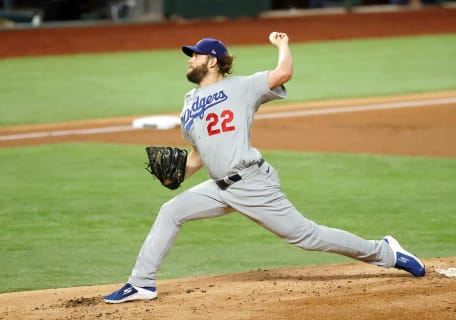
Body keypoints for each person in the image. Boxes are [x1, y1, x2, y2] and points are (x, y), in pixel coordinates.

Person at [104, 32, 425, 304]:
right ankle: (142, 283)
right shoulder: (189, 102)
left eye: (196, 55)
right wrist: (177, 174)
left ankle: (386, 252)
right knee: (171, 211)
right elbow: (199, 153)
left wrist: (282, 44)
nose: (189, 60)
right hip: (220, 186)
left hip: (251, 181)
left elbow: (282, 73)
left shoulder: (242, 87)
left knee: (306, 236)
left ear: (212, 61)